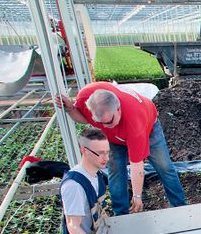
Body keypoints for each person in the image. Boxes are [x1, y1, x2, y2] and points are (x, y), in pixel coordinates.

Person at [56, 82, 187, 216]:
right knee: (116, 170)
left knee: (164, 166)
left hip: (149, 129)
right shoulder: (86, 98)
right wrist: (71, 109)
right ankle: (121, 214)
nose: (105, 127)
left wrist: (137, 196)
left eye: (108, 122)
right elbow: (84, 118)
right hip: (114, 139)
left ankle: (180, 208)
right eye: (100, 123)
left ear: (118, 109)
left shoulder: (134, 121)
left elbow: (137, 164)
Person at [60, 127, 109, 234]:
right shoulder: (74, 185)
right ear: (84, 151)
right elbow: (73, 226)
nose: (106, 158)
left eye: (107, 152)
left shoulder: (97, 174)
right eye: (100, 153)